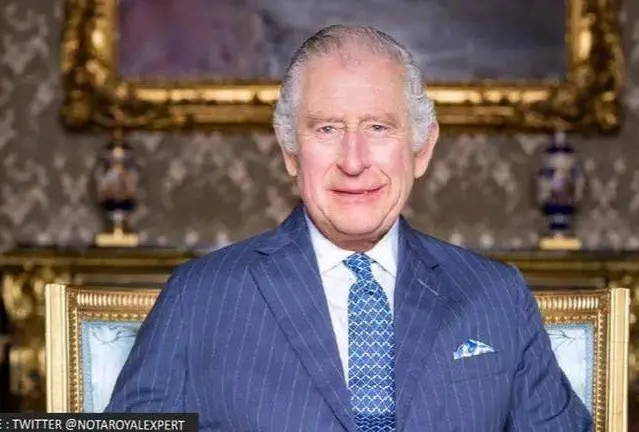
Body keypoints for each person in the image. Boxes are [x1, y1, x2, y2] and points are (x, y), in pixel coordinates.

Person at [105, 24, 592, 431]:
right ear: (289, 151)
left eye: (379, 128)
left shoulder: (497, 297)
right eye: (327, 129)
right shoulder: (200, 299)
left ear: (421, 149)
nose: (354, 162)